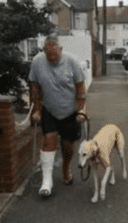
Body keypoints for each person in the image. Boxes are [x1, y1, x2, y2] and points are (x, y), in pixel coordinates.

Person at [29, 35, 87, 196]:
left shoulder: (71, 62)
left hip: (70, 112)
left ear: (60, 49)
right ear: (44, 52)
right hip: (49, 110)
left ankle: (66, 169)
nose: (52, 58)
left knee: (68, 146)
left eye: (55, 55)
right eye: (49, 55)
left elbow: (80, 87)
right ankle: (46, 182)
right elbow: (34, 87)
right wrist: (36, 109)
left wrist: (82, 110)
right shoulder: (37, 62)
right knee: (49, 140)